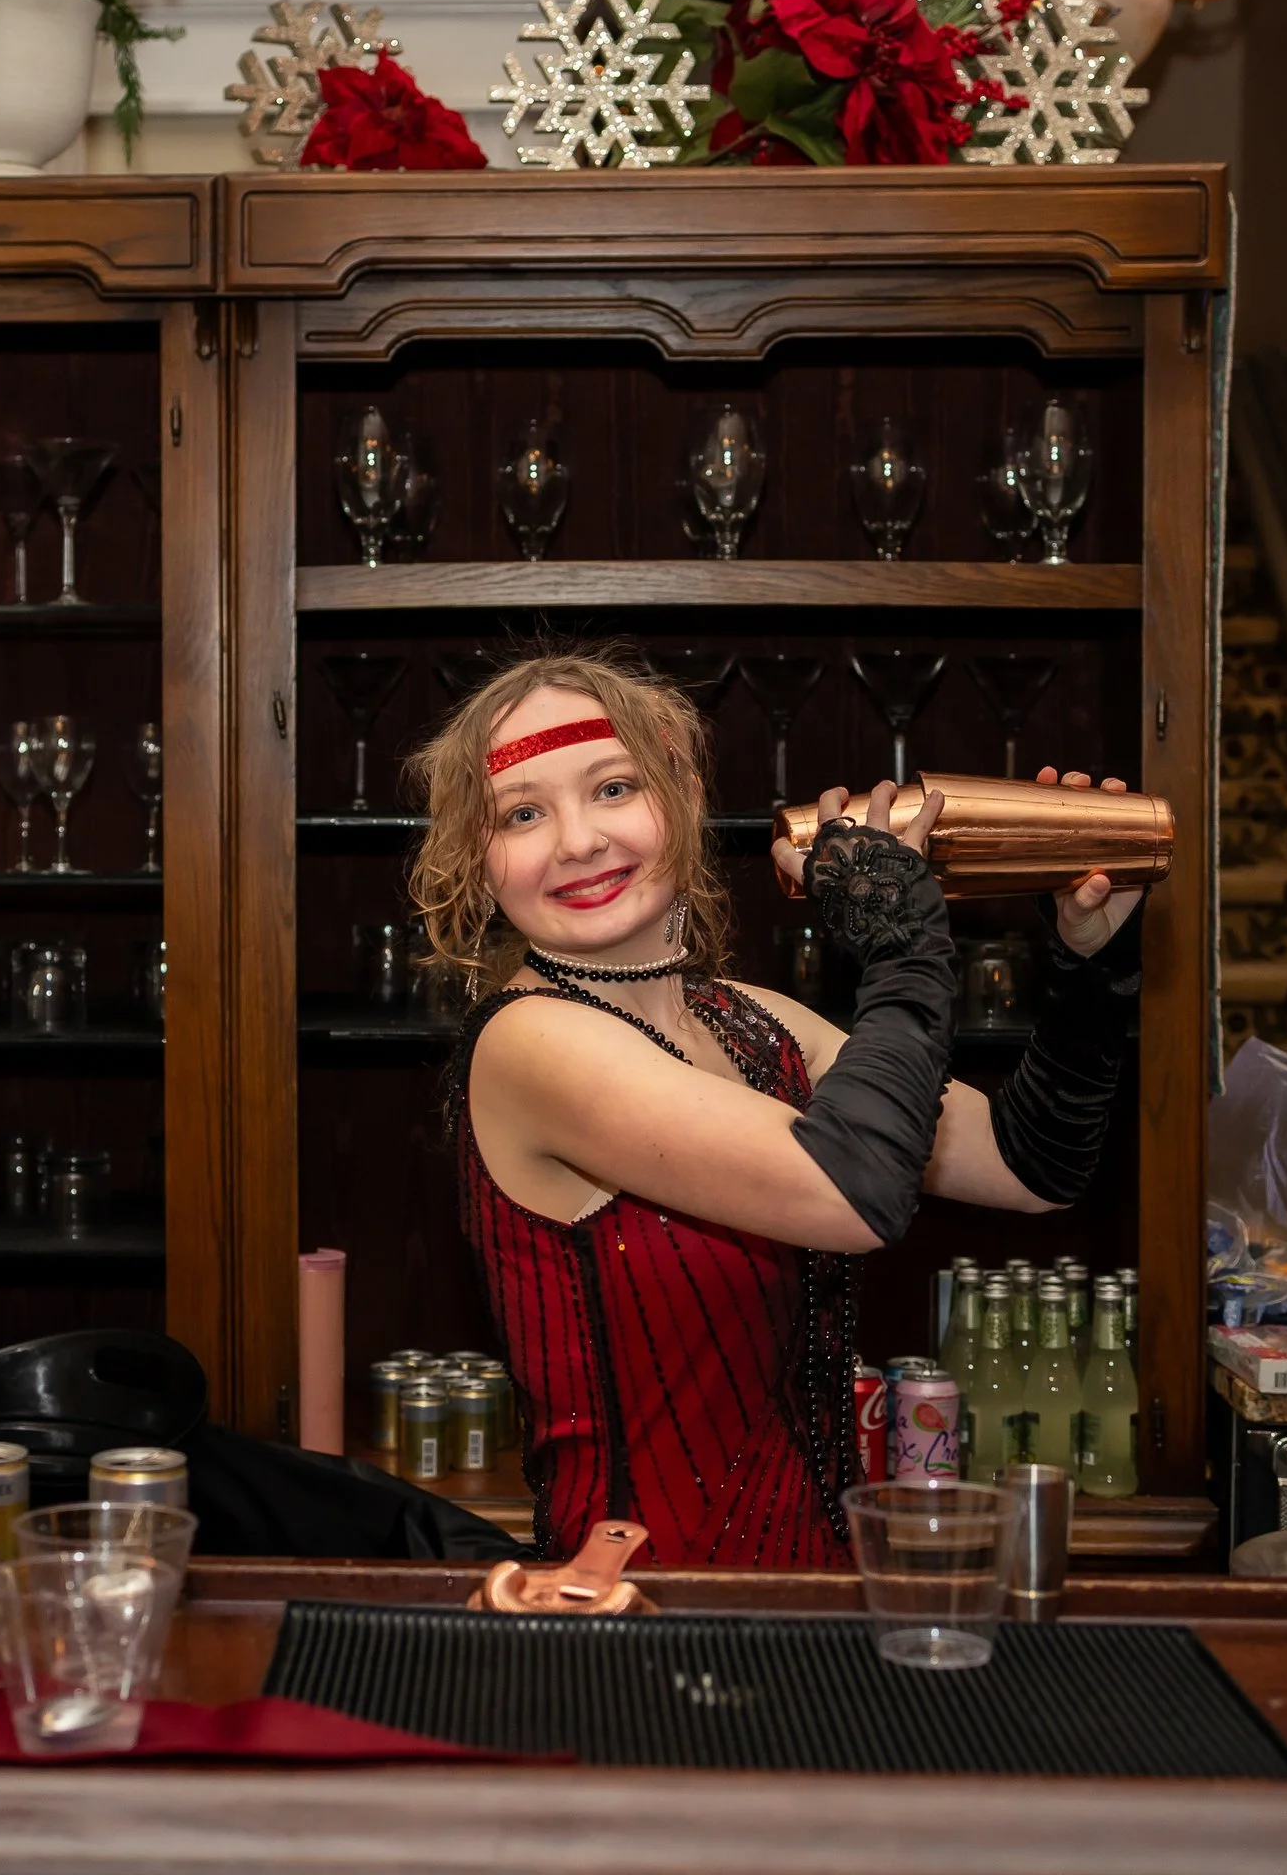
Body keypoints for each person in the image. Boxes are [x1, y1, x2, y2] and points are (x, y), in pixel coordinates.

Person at [408, 645, 1141, 1567]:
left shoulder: (758, 1022)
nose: (578, 841)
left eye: (611, 789)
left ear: (680, 795)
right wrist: (902, 937)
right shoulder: (530, 1044)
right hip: (647, 1622)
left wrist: (1088, 962)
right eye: (523, 813)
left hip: (816, 1593)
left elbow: (1035, 1164)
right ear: (477, 866)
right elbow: (854, 1193)